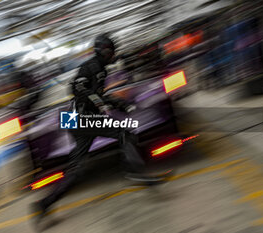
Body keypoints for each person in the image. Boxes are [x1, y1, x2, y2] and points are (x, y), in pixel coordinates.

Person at [31, 34, 172, 222]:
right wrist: (99, 102)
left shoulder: (100, 69)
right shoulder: (92, 66)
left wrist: (119, 104)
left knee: (77, 170)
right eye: (111, 51)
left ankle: (44, 204)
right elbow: (78, 89)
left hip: (75, 119)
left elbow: (97, 94)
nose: (113, 54)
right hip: (82, 118)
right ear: (104, 51)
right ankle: (133, 172)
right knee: (125, 133)